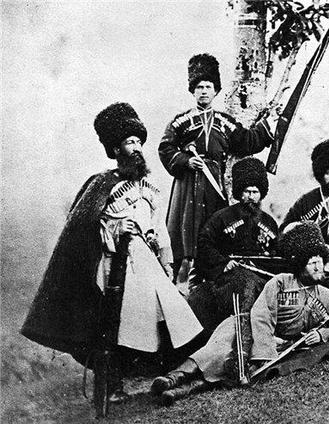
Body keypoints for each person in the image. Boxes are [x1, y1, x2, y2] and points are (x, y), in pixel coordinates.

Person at [21, 103, 203, 402]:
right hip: (113, 264)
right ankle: (111, 384)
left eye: (139, 142)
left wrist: (166, 260)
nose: (137, 148)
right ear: (116, 149)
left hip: (147, 263)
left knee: (167, 315)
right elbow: (84, 227)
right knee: (115, 325)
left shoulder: (149, 188)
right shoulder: (101, 184)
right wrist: (116, 229)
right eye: (130, 142)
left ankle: (159, 373)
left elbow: (159, 228)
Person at [150, 222, 329, 406]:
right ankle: (173, 378)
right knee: (218, 350)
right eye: (312, 263)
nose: (319, 268)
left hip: (281, 345)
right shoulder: (281, 282)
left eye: (320, 262)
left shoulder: (326, 296)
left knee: (228, 368)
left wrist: (321, 334)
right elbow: (262, 316)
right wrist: (265, 353)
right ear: (300, 264)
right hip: (248, 328)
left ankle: (180, 392)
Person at [159, 53, 278, 285]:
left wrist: (269, 125)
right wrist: (185, 161)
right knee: (183, 234)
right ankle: (178, 281)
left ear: (215, 91)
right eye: (199, 87)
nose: (204, 91)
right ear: (193, 91)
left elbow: (248, 141)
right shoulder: (180, 122)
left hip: (213, 184)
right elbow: (165, 148)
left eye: (208, 87)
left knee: (214, 229)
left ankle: (209, 279)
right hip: (187, 185)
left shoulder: (225, 122)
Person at [188, 157, 279, 333]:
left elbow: (276, 252)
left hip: (261, 277)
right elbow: (204, 243)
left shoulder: (269, 222)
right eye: (246, 191)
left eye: (255, 192)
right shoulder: (221, 217)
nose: (251, 196)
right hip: (227, 278)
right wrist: (223, 263)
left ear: (261, 193)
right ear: (239, 192)